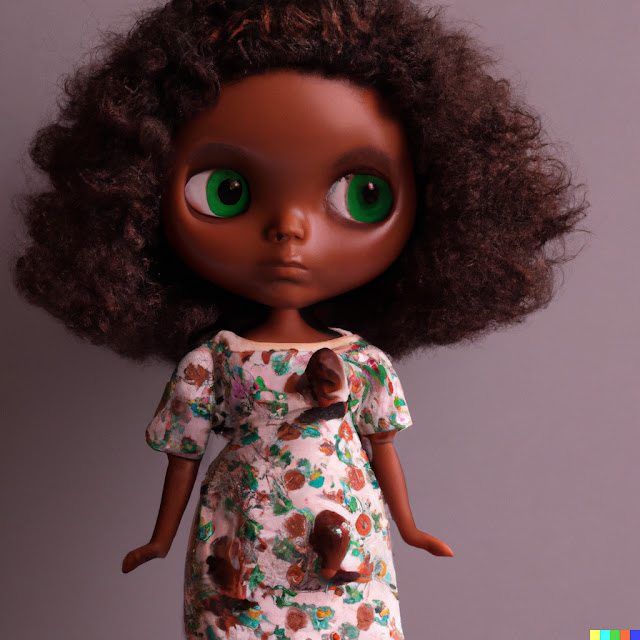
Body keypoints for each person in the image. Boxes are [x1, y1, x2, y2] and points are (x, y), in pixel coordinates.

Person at [13, 1, 587, 638]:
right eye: (226, 191)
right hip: (242, 539)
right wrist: (160, 538)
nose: (289, 228)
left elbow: (383, 448)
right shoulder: (213, 362)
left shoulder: (363, 364)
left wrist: (408, 527)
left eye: (362, 195)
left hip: (344, 538)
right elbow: (184, 455)